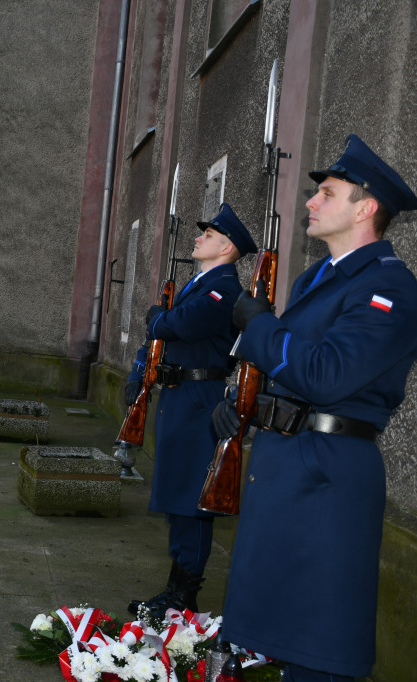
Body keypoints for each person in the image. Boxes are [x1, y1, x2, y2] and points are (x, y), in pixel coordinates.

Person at [213, 135, 417, 682]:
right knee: (282, 636)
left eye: (327, 192)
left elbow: (325, 376)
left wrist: (259, 325)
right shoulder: (321, 278)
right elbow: (289, 375)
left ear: (366, 207)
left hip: (326, 476)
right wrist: (244, 407)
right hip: (289, 468)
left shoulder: (387, 285)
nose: (311, 202)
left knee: (317, 648)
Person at [124, 203, 257, 618]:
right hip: (181, 398)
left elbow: (177, 325)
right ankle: (175, 593)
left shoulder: (225, 289)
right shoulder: (200, 282)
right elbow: (165, 326)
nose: (198, 238)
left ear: (226, 248)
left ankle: (183, 597)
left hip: (200, 400)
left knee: (193, 503)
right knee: (178, 499)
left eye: (209, 235)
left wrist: (158, 318)